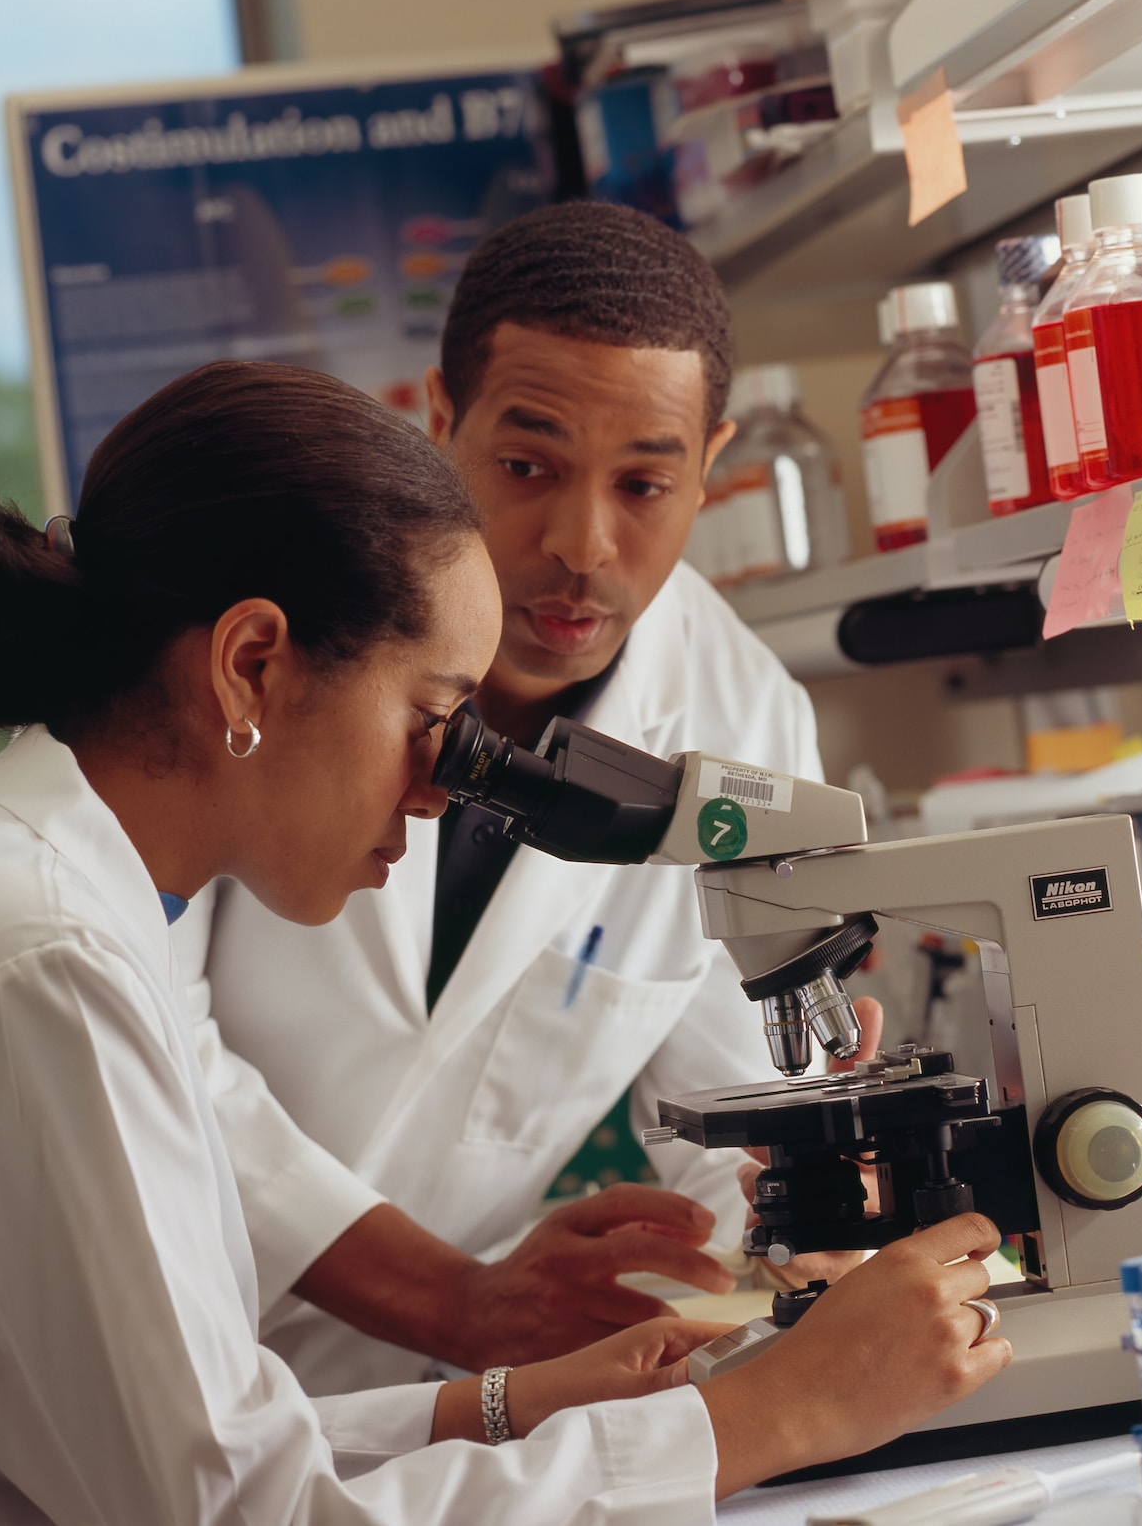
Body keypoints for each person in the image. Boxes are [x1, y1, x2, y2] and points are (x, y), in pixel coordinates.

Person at [0, 362, 1010, 1522]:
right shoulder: (40, 961)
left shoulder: (48, 894)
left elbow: (209, 1447)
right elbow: (238, 1511)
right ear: (252, 665)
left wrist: (510, 1403)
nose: (441, 795)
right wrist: (780, 1414)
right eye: (432, 718)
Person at [174, 201, 846, 1394]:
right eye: (528, 467)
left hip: (422, 1394)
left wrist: (795, 1222)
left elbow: (733, 1117)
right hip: (153, 1322)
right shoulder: (258, 633)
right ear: (438, 420)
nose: (582, 545)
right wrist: (450, 1295)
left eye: (646, 484)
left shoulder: (745, 724)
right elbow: (142, 1033)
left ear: (713, 467)